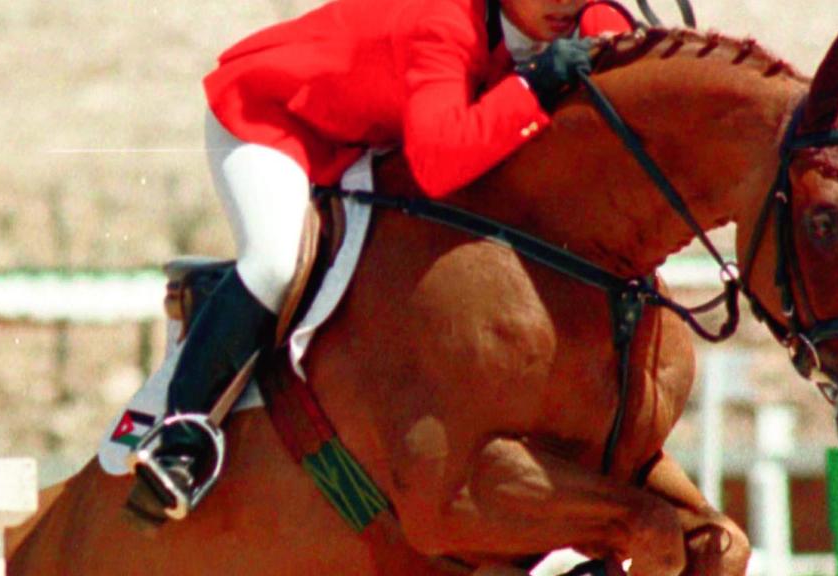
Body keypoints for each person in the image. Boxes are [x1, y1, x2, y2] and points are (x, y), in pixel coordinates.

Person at [130, 0, 634, 519]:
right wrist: (530, 89)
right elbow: (439, 163)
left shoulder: (585, 19)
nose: (565, 3)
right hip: (273, 119)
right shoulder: (446, 22)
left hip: (368, 139)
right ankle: (180, 436)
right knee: (276, 262)